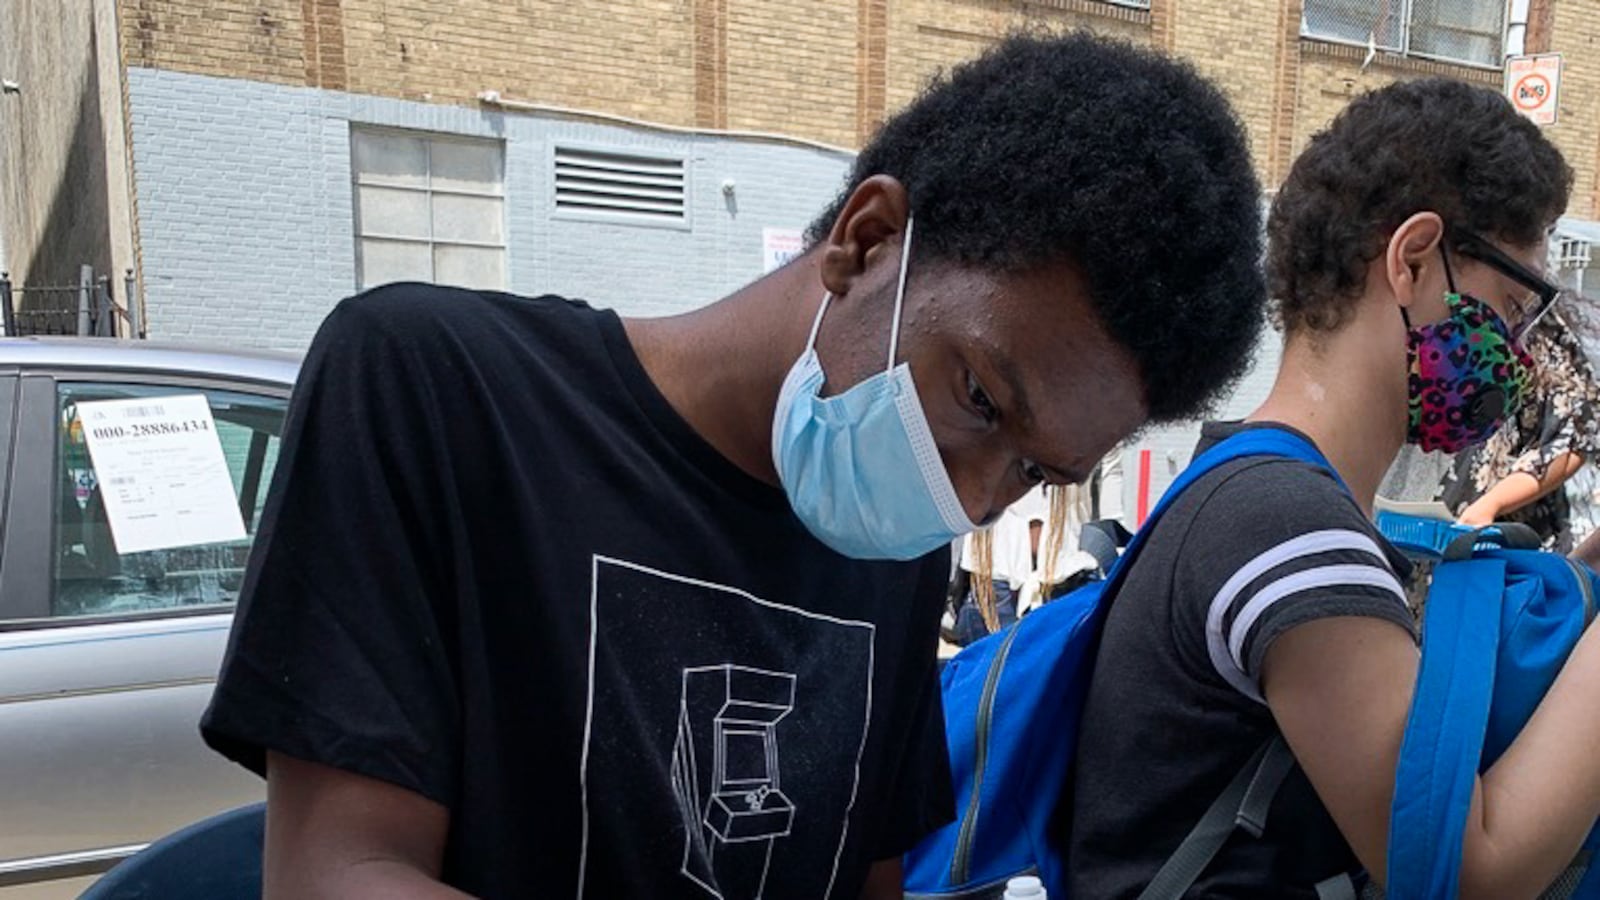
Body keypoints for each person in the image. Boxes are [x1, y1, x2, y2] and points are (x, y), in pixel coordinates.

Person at [200, 32, 1267, 900]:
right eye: (980, 399)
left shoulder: (888, 539)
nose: (972, 492)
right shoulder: (437, 389)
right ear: (866, 238)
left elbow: (868, 877)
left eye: (1036, 472)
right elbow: (336, 871)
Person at [1059, 77, 1595, 899]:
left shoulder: (1247, 491)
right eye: (1511, 308)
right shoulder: (1286, 526)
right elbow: (1464, 869)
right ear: (1413, 260)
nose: (1518, 357)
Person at [1440, 309, 1600, 551]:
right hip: (1413, 528)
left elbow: (1571, 440)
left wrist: (1491, 504)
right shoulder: (1418, 313)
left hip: (1498, 542)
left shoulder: (1532, 323)